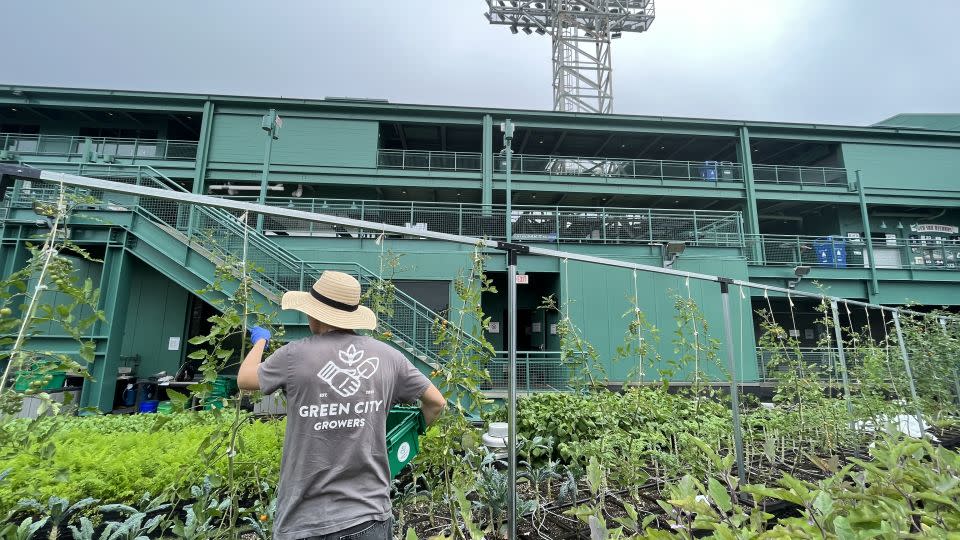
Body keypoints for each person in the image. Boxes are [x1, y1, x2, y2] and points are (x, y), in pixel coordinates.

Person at [237, 270, 446, 540]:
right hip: (370, 517)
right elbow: (436, 403)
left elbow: (244, 379)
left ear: (314, 314)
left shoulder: (293, 355)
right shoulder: (389, 357)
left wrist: (260, 342)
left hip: (306, 522)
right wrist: (404, 438)